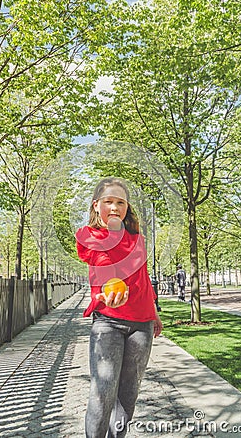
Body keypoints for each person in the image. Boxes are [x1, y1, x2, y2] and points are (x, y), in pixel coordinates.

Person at [75, 177, 163, 438]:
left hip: (142, 324)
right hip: (108, 321)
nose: (114, 207)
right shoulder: (88, 235)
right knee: (102, 391)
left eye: (120, 202)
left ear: (127, 207)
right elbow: (100, 259)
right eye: (108, 202)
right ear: (96, 206)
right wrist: (108, 287)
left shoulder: (138, 239)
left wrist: (154, 313)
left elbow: (143, 278)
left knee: (128, 395)